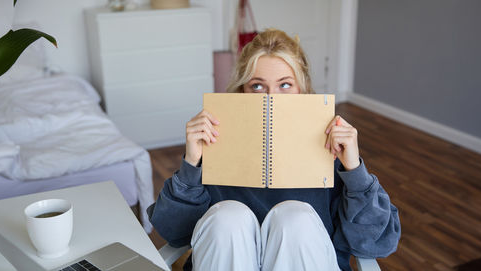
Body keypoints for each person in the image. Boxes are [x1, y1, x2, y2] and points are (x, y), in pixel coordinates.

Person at [148, 29, 400, 271]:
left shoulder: (330, 146)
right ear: (241, 91)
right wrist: (192, 163)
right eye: (257, 86)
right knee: (227, 218)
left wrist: (354, 170)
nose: (272, 98)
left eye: (285, 85)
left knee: (295, 219)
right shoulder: (215, 142)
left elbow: (377, 242)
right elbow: (174, 233)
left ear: (303, 90)